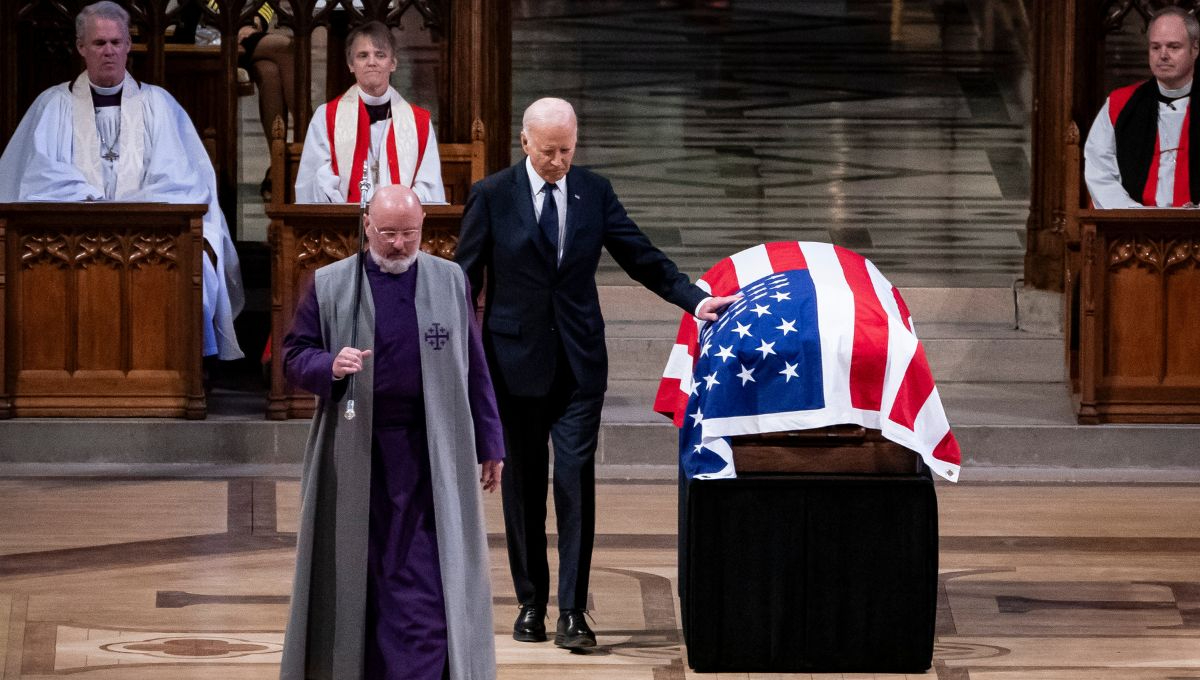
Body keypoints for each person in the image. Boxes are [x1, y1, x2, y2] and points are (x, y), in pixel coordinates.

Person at [455, 97, 738, 650]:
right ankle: (531, 603)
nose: (560, 160)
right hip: (514, 366)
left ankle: (572, 613)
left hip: (580, 363)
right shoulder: (491, 196)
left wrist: (692, 299)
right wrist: (454, 354)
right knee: (524, 486)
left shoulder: (594, 191)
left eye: (568, 149)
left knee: (575, 481)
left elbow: (639, 255)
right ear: (525, 143)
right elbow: (463, 278)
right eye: (549, 151)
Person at [279, 184, 503, 680]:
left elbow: (474, 366)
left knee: (426, 578)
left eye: (410, 233)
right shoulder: (331, 283)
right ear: (366, 227)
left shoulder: (449, 281)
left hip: (431, 458)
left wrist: (491, 442)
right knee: (364, 574)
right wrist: (329, 365)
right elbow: (293, 356)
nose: (399, 244)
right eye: (388, 234)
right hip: (359, 457)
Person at [0, 0, 243, 360]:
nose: (109, 51)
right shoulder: (52, 105)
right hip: (71, 229)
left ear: (129, 46)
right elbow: (36, 176)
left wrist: (130, 210)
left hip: (149, 231)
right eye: (99, 44)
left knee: (197, 260)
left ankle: (176, 366)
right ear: (81, 48)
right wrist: (92, 203)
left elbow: (181, 180)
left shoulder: (159, 105)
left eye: (116, 42)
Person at [295, 20, 445, 205]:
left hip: (399, 226)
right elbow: (316, 180)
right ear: (351, 64)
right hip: (345, 227)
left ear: (393, 63)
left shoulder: (419, 122)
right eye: (363, 55)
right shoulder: (325, 117)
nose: (372, 62)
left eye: (380, 55)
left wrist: (393, 212)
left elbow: (428, 186)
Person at [1085, 6, 1200, 208]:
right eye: (1155, 47)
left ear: (1195, 49)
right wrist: (1134, 213)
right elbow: (1099, 169)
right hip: (1133, 230)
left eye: (1173, 47)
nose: (1163, 55)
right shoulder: (1120, 105)